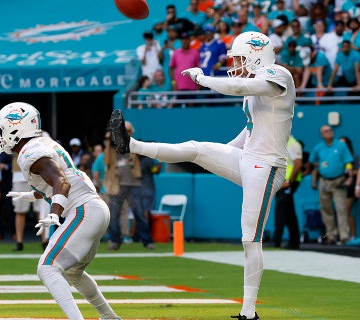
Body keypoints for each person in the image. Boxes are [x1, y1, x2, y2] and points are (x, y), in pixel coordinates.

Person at [110, 31, 295, 320]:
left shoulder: (278, 74)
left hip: (268, 166)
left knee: (250, 238)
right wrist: (226, 150)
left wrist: (202, 79)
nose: (236, 64)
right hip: (249, 157)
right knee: (196, 149)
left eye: (240, 58)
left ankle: (249, 311)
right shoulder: (253, 89)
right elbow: (251, 129)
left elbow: (236, 85)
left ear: (258, 54)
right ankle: (132, 145)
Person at [0, 102, 121, 320]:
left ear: (17, 128)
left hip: (83, 211)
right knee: (73, 272)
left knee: (47, 268)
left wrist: (54, 213)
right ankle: (109, 316)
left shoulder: (30, 152)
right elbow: (59, 180)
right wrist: (32, 194)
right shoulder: (43, 143)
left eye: (3, 129)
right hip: (94, 208)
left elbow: (61, 182)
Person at [103, 120, 153, 251]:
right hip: (117, 185)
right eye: (124, 130)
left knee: (139, 214)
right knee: (113, 215)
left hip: (133, 184)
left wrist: (126, 138)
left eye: (129, 131)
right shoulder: (112, 147)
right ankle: (115, 241)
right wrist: (108, 142)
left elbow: (141, 153)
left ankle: (147, 241)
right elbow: (106, 161)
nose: (126, 133)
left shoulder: (134, 145)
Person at [309, 125, 354, 245]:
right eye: (325, 131)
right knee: (326, 209)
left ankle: (344, 236)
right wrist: (321, 166)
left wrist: (350, 177)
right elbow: (312, 161)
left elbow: (348, 162)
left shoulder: (341, 145)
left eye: (329, 130)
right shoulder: (319, 148)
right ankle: (331, 235)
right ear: (321, 135)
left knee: (341, 208)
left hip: (338, 180)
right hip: (324, 181)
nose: (328, 133)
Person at [272, 135, 303, 249]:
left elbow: (298, 164)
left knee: (281, 210)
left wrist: (289, 181)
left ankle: (277, 241)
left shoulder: (293, 144)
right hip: (282, 183)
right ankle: (294, 242)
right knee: (289, 212)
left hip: (287, 183)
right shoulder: (281, 144)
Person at [339, 136, 360, 243]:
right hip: (339, 185)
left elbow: (358, 171)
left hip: (350, 186)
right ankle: (342, 234)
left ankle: (353, 235)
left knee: (347, 210)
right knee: (339, 211)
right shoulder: (336, 156)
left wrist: (349, 172)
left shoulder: (353, 156)